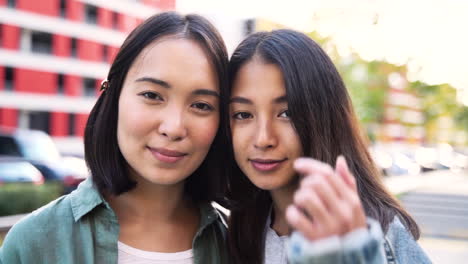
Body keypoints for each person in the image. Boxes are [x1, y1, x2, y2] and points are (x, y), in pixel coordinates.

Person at [0, 12, 230, 264]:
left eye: (201, 105)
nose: (173, 128)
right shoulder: (34, 242)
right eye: (152, 95)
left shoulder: (238, 245)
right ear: (113, 95)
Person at [226, 29, 431, 264]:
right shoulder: (242, 227)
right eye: (243, 114)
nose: (263, 138)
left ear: (323, 116)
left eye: (287, 113)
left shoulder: (371, 237)